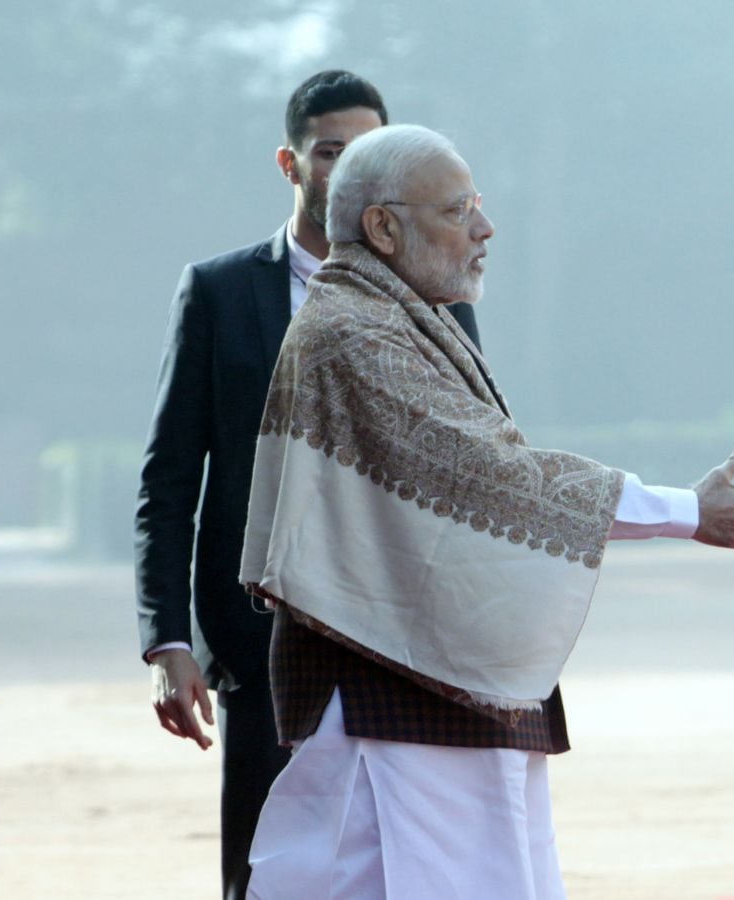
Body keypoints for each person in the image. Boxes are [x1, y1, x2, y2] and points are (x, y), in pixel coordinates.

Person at [238, 123, 734, 899]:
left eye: (476, 205)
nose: (484, 228)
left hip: (436, 675)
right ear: (383, 227)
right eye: (457, 210)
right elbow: (486, 478)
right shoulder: (352, 333)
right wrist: (685, 510)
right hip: (395, 686)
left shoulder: (393, 318)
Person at [134, 70, 482, 900]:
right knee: (265, 873)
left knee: (406, 871)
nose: (350, 167)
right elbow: (169, 480)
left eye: (369, 149)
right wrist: (167, 640)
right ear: (290, 164)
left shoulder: (437, 292)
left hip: (404, 640)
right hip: (262, 641)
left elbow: (473, 468)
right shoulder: (219, 293)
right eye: (331, 151)